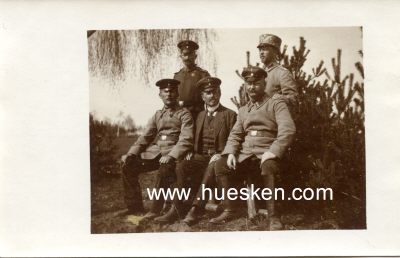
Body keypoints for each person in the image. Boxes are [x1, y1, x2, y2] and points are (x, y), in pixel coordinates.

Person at [212, 66, 296, 230]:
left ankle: (274, 216)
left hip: (267, 152)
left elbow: (288, 129)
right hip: (246, 155)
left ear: (264, 83)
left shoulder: (276, 103)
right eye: (248, 83)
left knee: (269, 167)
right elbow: (235, 134)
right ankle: (230, 208)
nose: (251, 87)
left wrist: (273, 151)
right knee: (220, 165)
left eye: (256, 83)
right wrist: (230, 153)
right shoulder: (243, 110)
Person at [153, 77, 237, 224]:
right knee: (182, 166)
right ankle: (177, 208)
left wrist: (221, 154)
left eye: (216, 92)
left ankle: (195, 210)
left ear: (220, 93)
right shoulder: (199, 116)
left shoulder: (230, 115)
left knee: (212, 167)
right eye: (209, 93)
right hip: (201, 156)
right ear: (202, 96)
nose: (213, 96)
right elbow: (190, 137)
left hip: (219, 158)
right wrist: (190, 150)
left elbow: (235, 140)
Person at [120, 78, 193, 219]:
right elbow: (145, 137)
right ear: (160, 95)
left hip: (173, 154)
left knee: (164, 168)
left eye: (172, 91)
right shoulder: (157, 115)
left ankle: (155, 209)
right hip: (155, 153)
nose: (169, 95)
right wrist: (131, 154)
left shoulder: (184, 114)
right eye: (165, 92)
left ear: (177, 94)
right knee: (127, 165)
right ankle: (134, 207)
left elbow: (186, 138)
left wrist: (172, 155)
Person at [257, 33, 298, 107]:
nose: (261, 53)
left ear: (275, 51)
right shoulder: (259, 73)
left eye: (265, 49)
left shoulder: (282, 73)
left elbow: (292, 100)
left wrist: (273, 100)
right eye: (260, 50)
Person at [174, 40, 211, 118]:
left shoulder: (203, 75)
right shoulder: (177, 76)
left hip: (197, 116)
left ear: (195, 56)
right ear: (181, 56)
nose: (187, 58)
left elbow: (210, 97)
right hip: (179, 116)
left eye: (190, 54)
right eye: (185, 54)